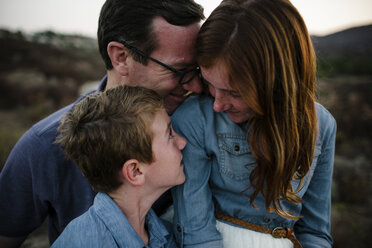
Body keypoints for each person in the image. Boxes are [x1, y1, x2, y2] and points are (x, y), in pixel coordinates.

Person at [0, 0, 204, 246]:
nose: (196, 86)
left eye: (198, 70)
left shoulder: (206, 122)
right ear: (121, 57)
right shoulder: (44, 146)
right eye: (180, 71)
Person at [171, 0, 336, 247]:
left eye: (235, 93)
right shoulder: (194, 120)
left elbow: (315, 231)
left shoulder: (321, 126)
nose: (217, 104)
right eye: (209, 83)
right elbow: (196, 233)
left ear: (278, 84)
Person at [51, 85, 186, 248]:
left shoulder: (164, 234)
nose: (183, 142)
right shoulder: (86, 243)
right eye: (170, 134)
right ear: (135, 171)